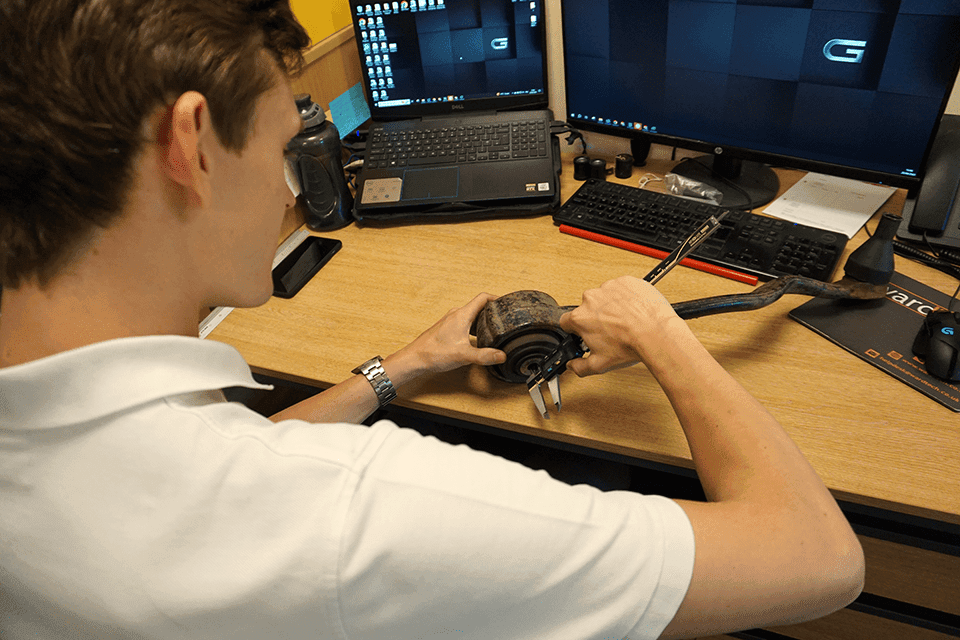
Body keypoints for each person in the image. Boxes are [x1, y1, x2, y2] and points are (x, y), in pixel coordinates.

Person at [0, 1, 863, 639]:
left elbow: (223, 467)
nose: (286, 190)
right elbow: (819, 560)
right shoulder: (359, 512)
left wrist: (400, 369)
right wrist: (659, 329)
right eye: (282, 148)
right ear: (191, 146)